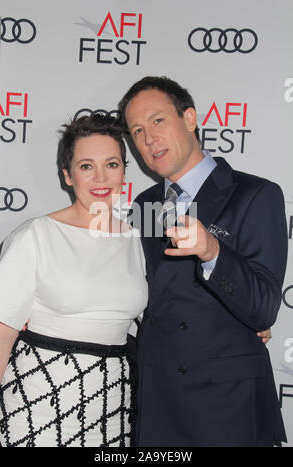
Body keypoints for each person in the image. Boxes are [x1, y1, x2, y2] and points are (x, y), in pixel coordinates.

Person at [119, 76, 288, 447]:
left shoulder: (256, 195)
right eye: (137, 130)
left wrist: (213, 252)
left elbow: (262, 308)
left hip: (226, 409)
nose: (148, 139)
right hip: (159, 404)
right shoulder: (144, 204)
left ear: (190, 118)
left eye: (158, 120)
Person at [0, 114, 148, 447]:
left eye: (112, 164)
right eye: (86, 166)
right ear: (67, 174)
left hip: (111, 408)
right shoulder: (36, 236)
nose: (101, 177)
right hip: (36, 407)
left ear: (124, 170)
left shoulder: (137, 240)